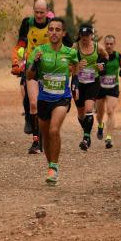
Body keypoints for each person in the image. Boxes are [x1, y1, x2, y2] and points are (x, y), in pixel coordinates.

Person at [11, 0, 68, 154]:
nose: (39, 15)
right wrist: (18, 61)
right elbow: (21, 42)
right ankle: (36, 142)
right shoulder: (27, 23)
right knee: (33, 103)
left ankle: (46, 131)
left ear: (47, 11)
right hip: (32, 66)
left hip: (50, 69)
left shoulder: (52, 24)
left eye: (42, 12)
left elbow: (67, 43)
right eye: (36, 12)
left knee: (46, 105)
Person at [26, 17, 79, 186]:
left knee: (54, 130)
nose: (54, 32)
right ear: (47, 32)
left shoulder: (70, 52)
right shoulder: (39, 50)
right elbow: (29, 76)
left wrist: (75, 84)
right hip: (44, 98)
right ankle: (50, 166)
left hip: (62, 98)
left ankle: (54, 167)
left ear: (63, 33)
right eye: (51, 29)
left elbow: (76, 68)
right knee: (46, 135)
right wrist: (35, 62)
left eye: (58, 29)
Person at [74, 23, 108, 151]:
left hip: (93, 82)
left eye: (87, 35)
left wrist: (102, 65)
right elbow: (68, 65)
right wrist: (77, 65)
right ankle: (87, 132)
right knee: (81, 113)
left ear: (91, 35)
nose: (84, 38)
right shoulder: (75, 47)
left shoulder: (98, 47)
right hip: (78, 83)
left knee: (89, 109)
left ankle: (86, 138)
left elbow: (106, 57)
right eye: (82, 35)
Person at [95, 35, 121, 149]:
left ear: (114, 44)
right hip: (100, 88)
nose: (109, 46)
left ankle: (109, 137)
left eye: (111, 44)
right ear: (104, 44)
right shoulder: (98, 56)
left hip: (113, 87)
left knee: (110, 111)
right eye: (107, 44)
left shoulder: (118, 56)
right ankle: (100, 125)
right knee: (100, 114)